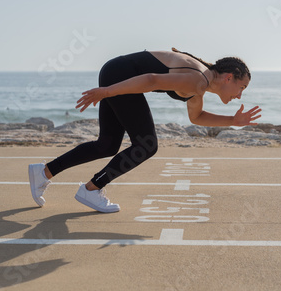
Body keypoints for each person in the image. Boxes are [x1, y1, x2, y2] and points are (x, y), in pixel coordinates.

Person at [28, 48, 261, 213]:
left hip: (115, 72)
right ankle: (91, 188)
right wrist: (107, 92)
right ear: (229, 77)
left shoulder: (200, 83)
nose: (239, 95)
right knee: (147, 145)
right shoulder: (197, 80)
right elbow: (150, 80)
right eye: (241, 87)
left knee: (107, 144)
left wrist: (233, 120)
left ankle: (44, 172)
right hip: (120, 76)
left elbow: (196, 117)